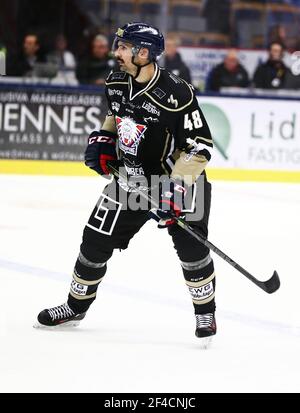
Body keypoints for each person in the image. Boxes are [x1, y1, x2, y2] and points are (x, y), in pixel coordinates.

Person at [36, 22, 216, 344]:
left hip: (177, 180)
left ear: (143, 53)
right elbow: (115, 113)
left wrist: (175, 189)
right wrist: (105, 138)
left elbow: (200, 147)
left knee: (192, 250)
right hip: (131, 180)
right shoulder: (117, 80)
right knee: (94, 239)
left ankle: (206, 312)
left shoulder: (177, 93)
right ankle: (76, 307)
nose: (115, 52)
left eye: (122, 47)